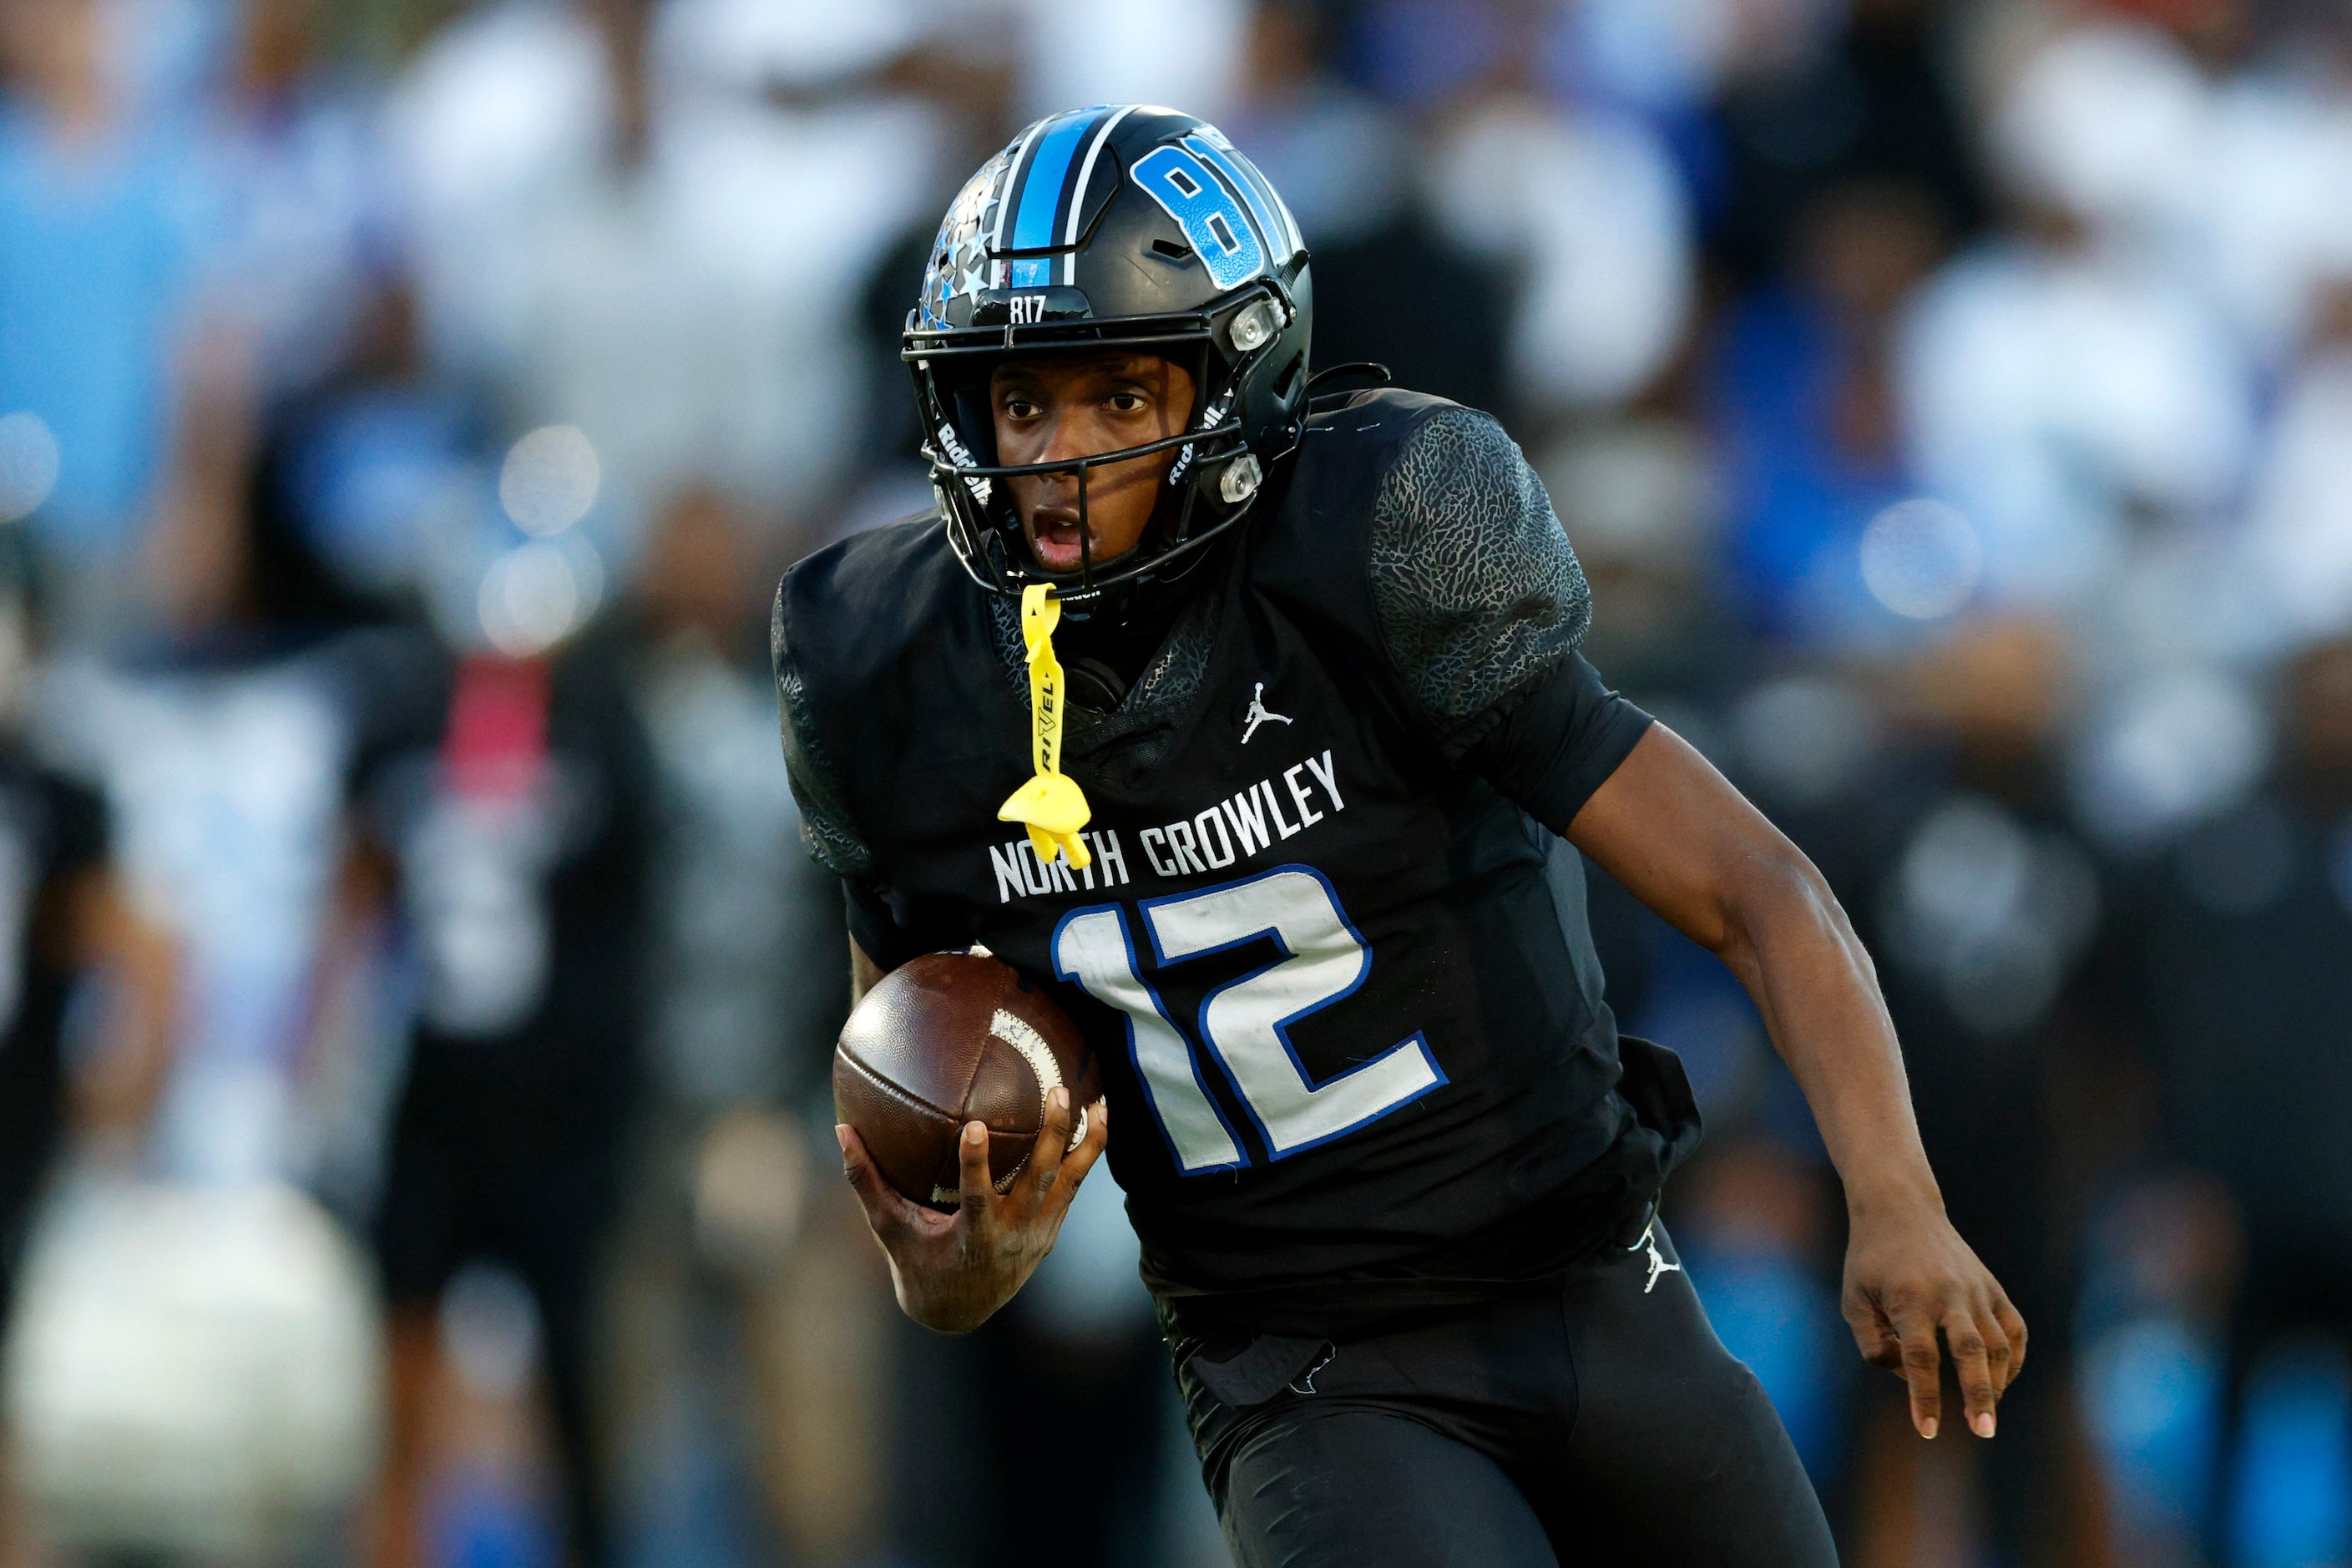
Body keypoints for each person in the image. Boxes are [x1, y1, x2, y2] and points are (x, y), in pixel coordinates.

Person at [774, 107, 2026, 1565]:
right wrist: (948, 1272)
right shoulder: (882, 661)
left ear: (1238, 384)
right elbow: (906, 1079)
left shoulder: (1381, 533)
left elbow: (1755, 886)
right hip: (1305, 1369)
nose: (1056, 457)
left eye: (1120, 396)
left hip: (1593, 1289)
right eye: (1021, 401)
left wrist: (1895, 1198)